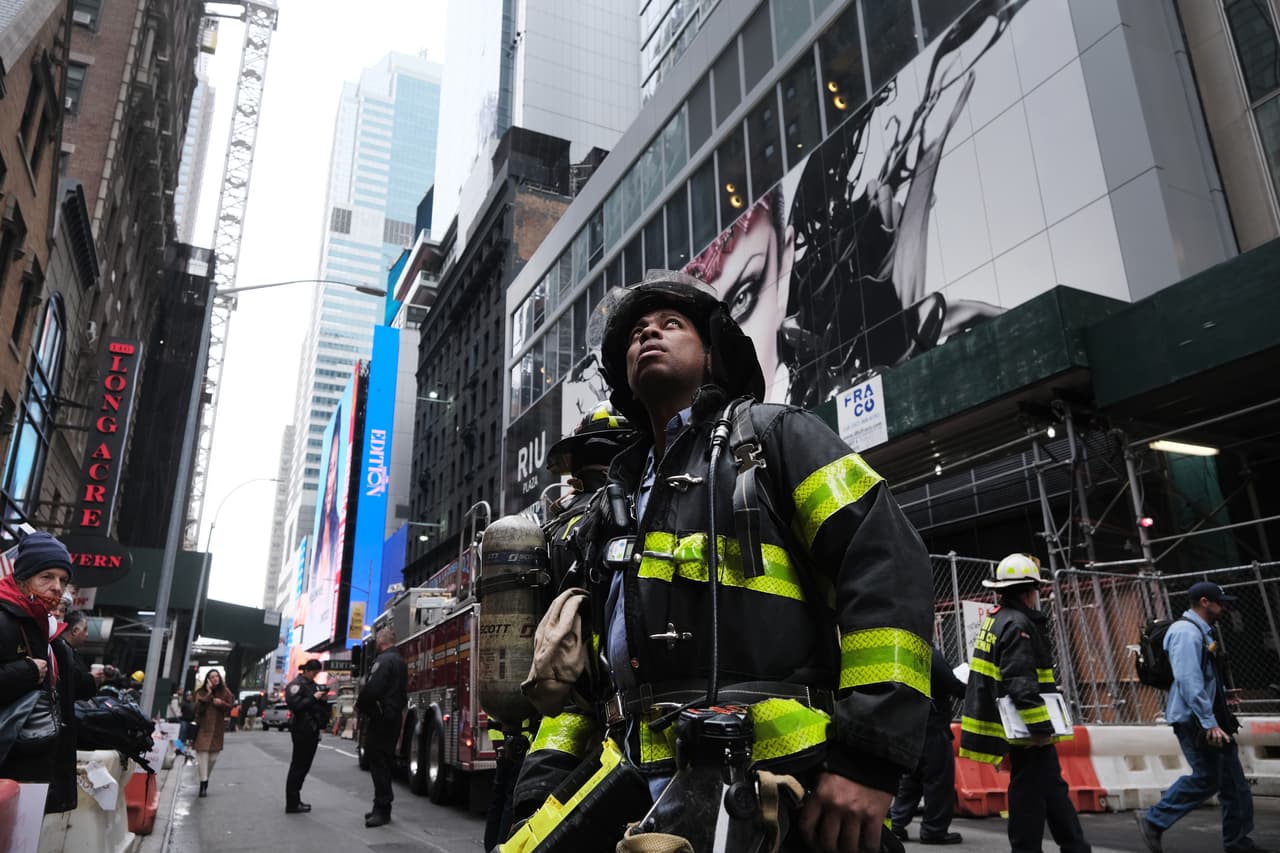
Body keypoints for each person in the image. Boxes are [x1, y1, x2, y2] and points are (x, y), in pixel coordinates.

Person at [514, 270, 934, 851]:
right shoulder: (610, 509)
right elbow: (588, 683)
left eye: (671, 325)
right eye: (636, 332)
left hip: (784, 798)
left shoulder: (774, 438)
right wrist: (540, 792)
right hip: (635, 798)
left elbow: (887, 564)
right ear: (624, 380)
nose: (648, 336)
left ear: (712, 352)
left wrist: (867, 759)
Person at [501, 402, 635, 845]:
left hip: (565, 698)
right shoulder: (637, 505)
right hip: (629, 699)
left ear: (575, 467)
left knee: (535, 824)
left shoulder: (554, 525)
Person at [959, 554, 1090, 853]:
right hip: (1027, 727)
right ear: (1031, 591)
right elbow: (1020, 682)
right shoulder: (1018, 624)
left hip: (1017, 724)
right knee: (1029, 793)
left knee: (1052, 788)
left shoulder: (996, 619)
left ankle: (1075, 846)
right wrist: (1040, 727)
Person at [1135, 582, 1268, 853]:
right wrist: (1209, 722)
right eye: (1221, 602)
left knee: (1235, 786)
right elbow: (1188, 680)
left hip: (1208, 717)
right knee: (1208, 778)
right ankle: (1154, 819)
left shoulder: (1200, 631)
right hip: (1195, 721)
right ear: (1205, 602)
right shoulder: (1186, 632)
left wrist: (1221, 694)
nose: (1225, 607)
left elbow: (1201, 677)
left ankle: (1238, 843)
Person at [0, 532, 78, 815]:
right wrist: (27, 671)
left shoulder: (43, 625)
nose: (57, 587)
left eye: (62, 579)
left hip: (32, 766)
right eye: (46, 577)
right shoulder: (5, 617)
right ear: (23, 579)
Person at [890, 643, 967, 844]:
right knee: (938, 780)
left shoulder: (900, 650)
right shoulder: (926, 650)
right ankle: (934, 829)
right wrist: (969, 688)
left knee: (911, 779)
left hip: (910, 724)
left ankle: (896, 825)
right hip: (932, 725)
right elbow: (952, 684)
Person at [356, 627, 407, 827]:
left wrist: (361, 706)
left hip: (382, 719)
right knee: (384, 762)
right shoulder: (399, 661)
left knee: (379, 764)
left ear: (381, 641)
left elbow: (373, 689)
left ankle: (382, 809)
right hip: (392, 718)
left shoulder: (384, 661)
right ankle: (381, 807)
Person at [284, 658, 329, 814]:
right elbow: (295, 705)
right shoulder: (296, 685)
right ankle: (292, 802)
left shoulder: (311, 685)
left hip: (312, 729)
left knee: (304, 766)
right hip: (302, 729)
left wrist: (322, 699)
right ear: (308, 671)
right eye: (314, 673)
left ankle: (295, 800)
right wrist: (314, 698)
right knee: (298, 765)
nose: (315, 676)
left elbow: (317, 707)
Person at [192, 669, 235, 797]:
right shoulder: (201, 692)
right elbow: (198, 709)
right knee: (203, 757)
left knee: (213, 758)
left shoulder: (225, 691)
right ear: (208, 679)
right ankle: (203, 785)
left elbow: (230, 706)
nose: (215, 678)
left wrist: (221, 703)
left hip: (217, 730)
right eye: (212, 677)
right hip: (203, 729)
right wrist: (209, 694)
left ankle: (205, 779)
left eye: (217, 676)